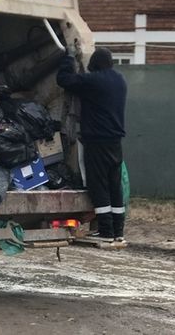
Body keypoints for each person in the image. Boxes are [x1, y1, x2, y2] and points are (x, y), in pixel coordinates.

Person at [56, 47, 127, 243]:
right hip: (115, 143)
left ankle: (105, 231)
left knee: (99, 184)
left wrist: (68, 59)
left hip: (97, 142)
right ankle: (117, 230)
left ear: (94, 64)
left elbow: (64, 80)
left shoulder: (94, 80)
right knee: (114, 185)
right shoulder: (120, 80)